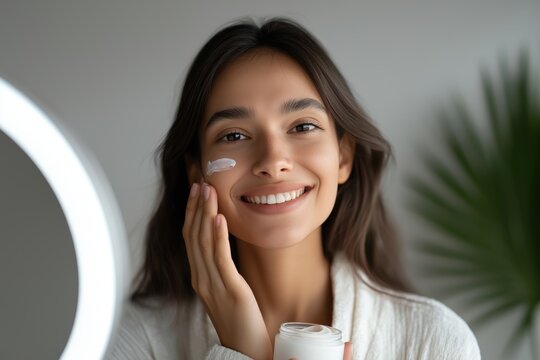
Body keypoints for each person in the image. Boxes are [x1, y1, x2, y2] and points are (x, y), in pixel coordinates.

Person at [106, 17, 481, 360]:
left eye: (302, 127)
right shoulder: (134, 341)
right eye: (234, 135)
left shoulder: (435, 342)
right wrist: (239, 349)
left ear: (343, 157)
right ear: (197, 173)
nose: (273, 160)